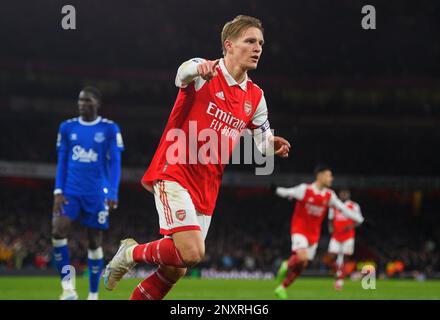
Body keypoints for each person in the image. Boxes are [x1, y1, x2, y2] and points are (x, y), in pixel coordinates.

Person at [103, 15, 291, 300]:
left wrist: (271, 144)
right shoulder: (205, 71)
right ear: (228, 45)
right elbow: (182, 74)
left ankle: (132, 257)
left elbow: (262, 144)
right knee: (192, 253)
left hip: (207, 185)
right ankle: (130, 253)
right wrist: (197, 69)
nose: (258, 48)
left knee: (174, 269)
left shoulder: (256, 96)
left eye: (261, 43)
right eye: (250, 41)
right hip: (175, 170)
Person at [52, 86, 124, 300]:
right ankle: (68, 288)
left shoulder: (109, 129)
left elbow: (116, 162)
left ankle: (93, 295)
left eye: (87, 100)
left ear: (97, 103)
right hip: (70, 192)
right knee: (57, 232)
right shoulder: (67, 127)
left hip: (96, 195)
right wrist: (58, 190)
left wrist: (112, 191)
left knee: (94, 242)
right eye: (80, 100)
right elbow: (62, 160)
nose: (82, 103)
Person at [272, 166, 364, 299]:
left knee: (303, 264)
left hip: (314, 234)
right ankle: (286, 265)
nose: (331, 178)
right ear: (320, 176)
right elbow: (288, 192)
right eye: (329, 175)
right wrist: (275, 189)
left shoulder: (329, 195)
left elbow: (343, 208)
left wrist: (361, 219)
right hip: (299, 230)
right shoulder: (305, 189)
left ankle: (282, 288)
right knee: (302, 257)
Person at [327, 189, 362, 290]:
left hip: (348, 236)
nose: (343, 195)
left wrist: (350, 227)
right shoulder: (334, 205)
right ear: (339, 195)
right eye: (342, 194)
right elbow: (330, 219)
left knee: (345, 259)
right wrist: (331, 229)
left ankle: (339, 280)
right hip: (336, 236)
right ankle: (337, 273)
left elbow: (359, 220)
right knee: (331, 257)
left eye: (345, 194)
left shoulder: (354, 206)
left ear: (348, 195)